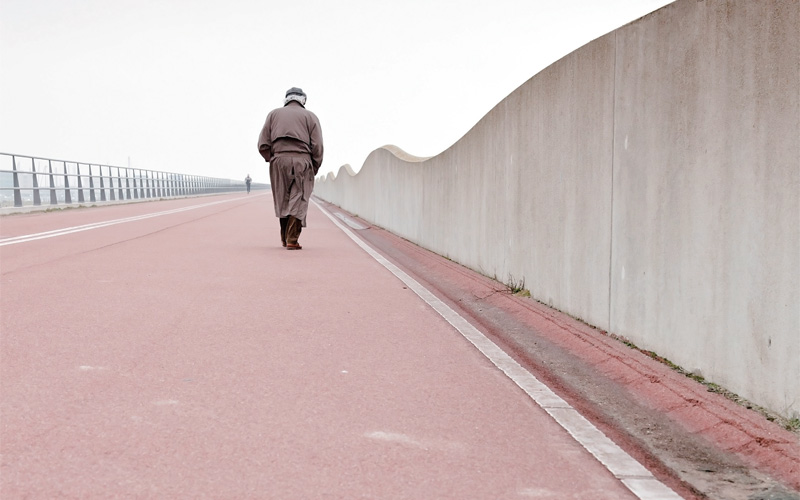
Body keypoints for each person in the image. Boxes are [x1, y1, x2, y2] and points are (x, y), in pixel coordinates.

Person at [257, 87, 323, 250]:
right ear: (303, 100)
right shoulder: (310, 116)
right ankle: (292, 239)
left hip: (279, 160)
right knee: (299, 198)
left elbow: (263, 143)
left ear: (286, 99)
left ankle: (284, 238)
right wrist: (315, 165)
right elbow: (318, 145)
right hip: (302, 160)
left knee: (282, 197)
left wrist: (271, 158)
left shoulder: (273, 114)